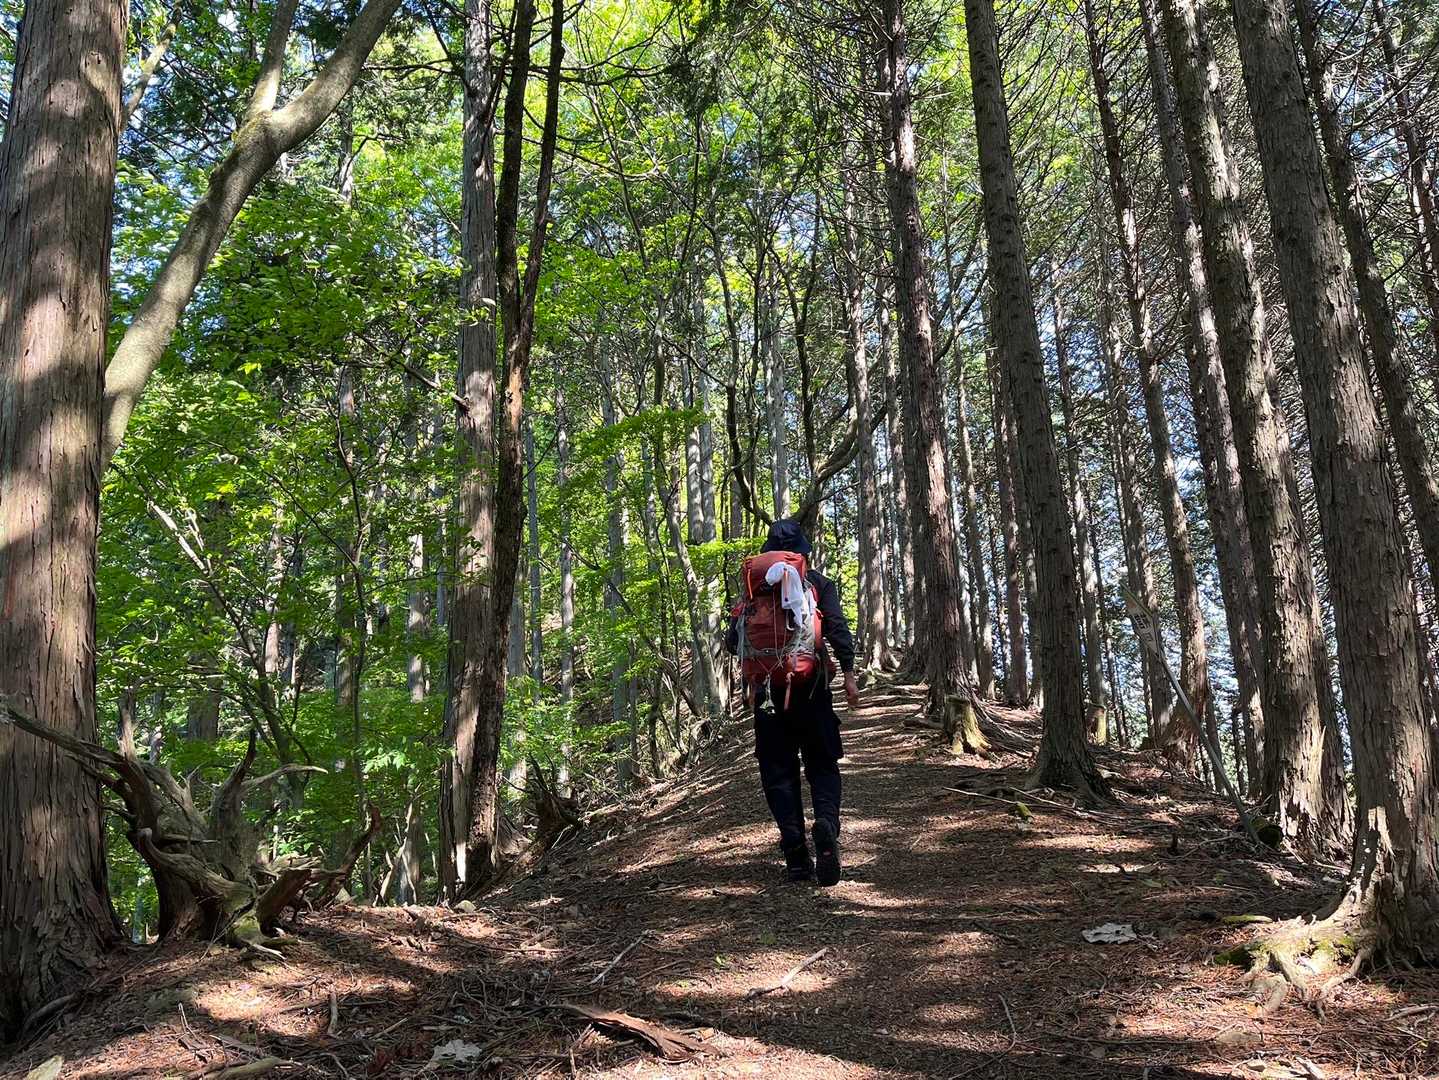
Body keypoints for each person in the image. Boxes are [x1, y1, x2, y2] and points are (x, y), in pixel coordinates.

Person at [725, 519, 860, 886]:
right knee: (822, 763)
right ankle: (826, 825)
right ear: (803, 551)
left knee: (777, 772)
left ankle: (796, 855)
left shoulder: (754, 588)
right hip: (811, 688)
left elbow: (733, 642)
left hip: (768, 694)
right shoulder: (817, 583)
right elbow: (837, 628)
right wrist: (849, 675)